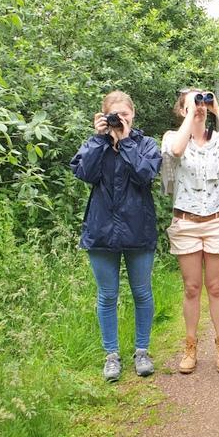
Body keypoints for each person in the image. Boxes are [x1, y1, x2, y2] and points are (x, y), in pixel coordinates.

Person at [70, 90, 163, 382]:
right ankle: (111, 356)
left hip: (138, 227)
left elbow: (146, 174)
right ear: (103, 116)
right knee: (108, 295)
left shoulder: (146, 144)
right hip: (101, 230)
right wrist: (100, 140)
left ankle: (142, 351)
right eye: (114, 115)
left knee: (141, 292)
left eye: (124, 114)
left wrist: (124, 142)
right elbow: (84, 173)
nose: (120, 119)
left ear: (133, 115)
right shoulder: (95, 144)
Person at [161, 88, 219, 374]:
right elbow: (176, 151)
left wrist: (217, 110)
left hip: (217, 221)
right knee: (192, 287)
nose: (199, 107)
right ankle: (190, 348)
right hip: (186, 222)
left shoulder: (218, 139)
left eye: (202, 102)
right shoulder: (172, 137)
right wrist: (190, 115)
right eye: (193, 104)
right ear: (182, 110)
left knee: (216, 287)